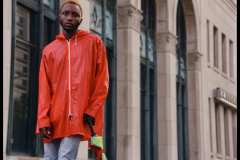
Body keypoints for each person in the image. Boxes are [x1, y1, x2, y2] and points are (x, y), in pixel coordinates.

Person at [35, 0, 109, 159]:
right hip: (52, 117)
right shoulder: (49, 50)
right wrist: (42, 119)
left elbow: (102, 82)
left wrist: (92, 110)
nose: (70, 17)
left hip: (78, 116)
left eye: (75, 15)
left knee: (65, 157)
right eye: (66, 13)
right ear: (59, 17)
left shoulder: (94, 43)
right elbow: (44, 88)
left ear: (81, 20)